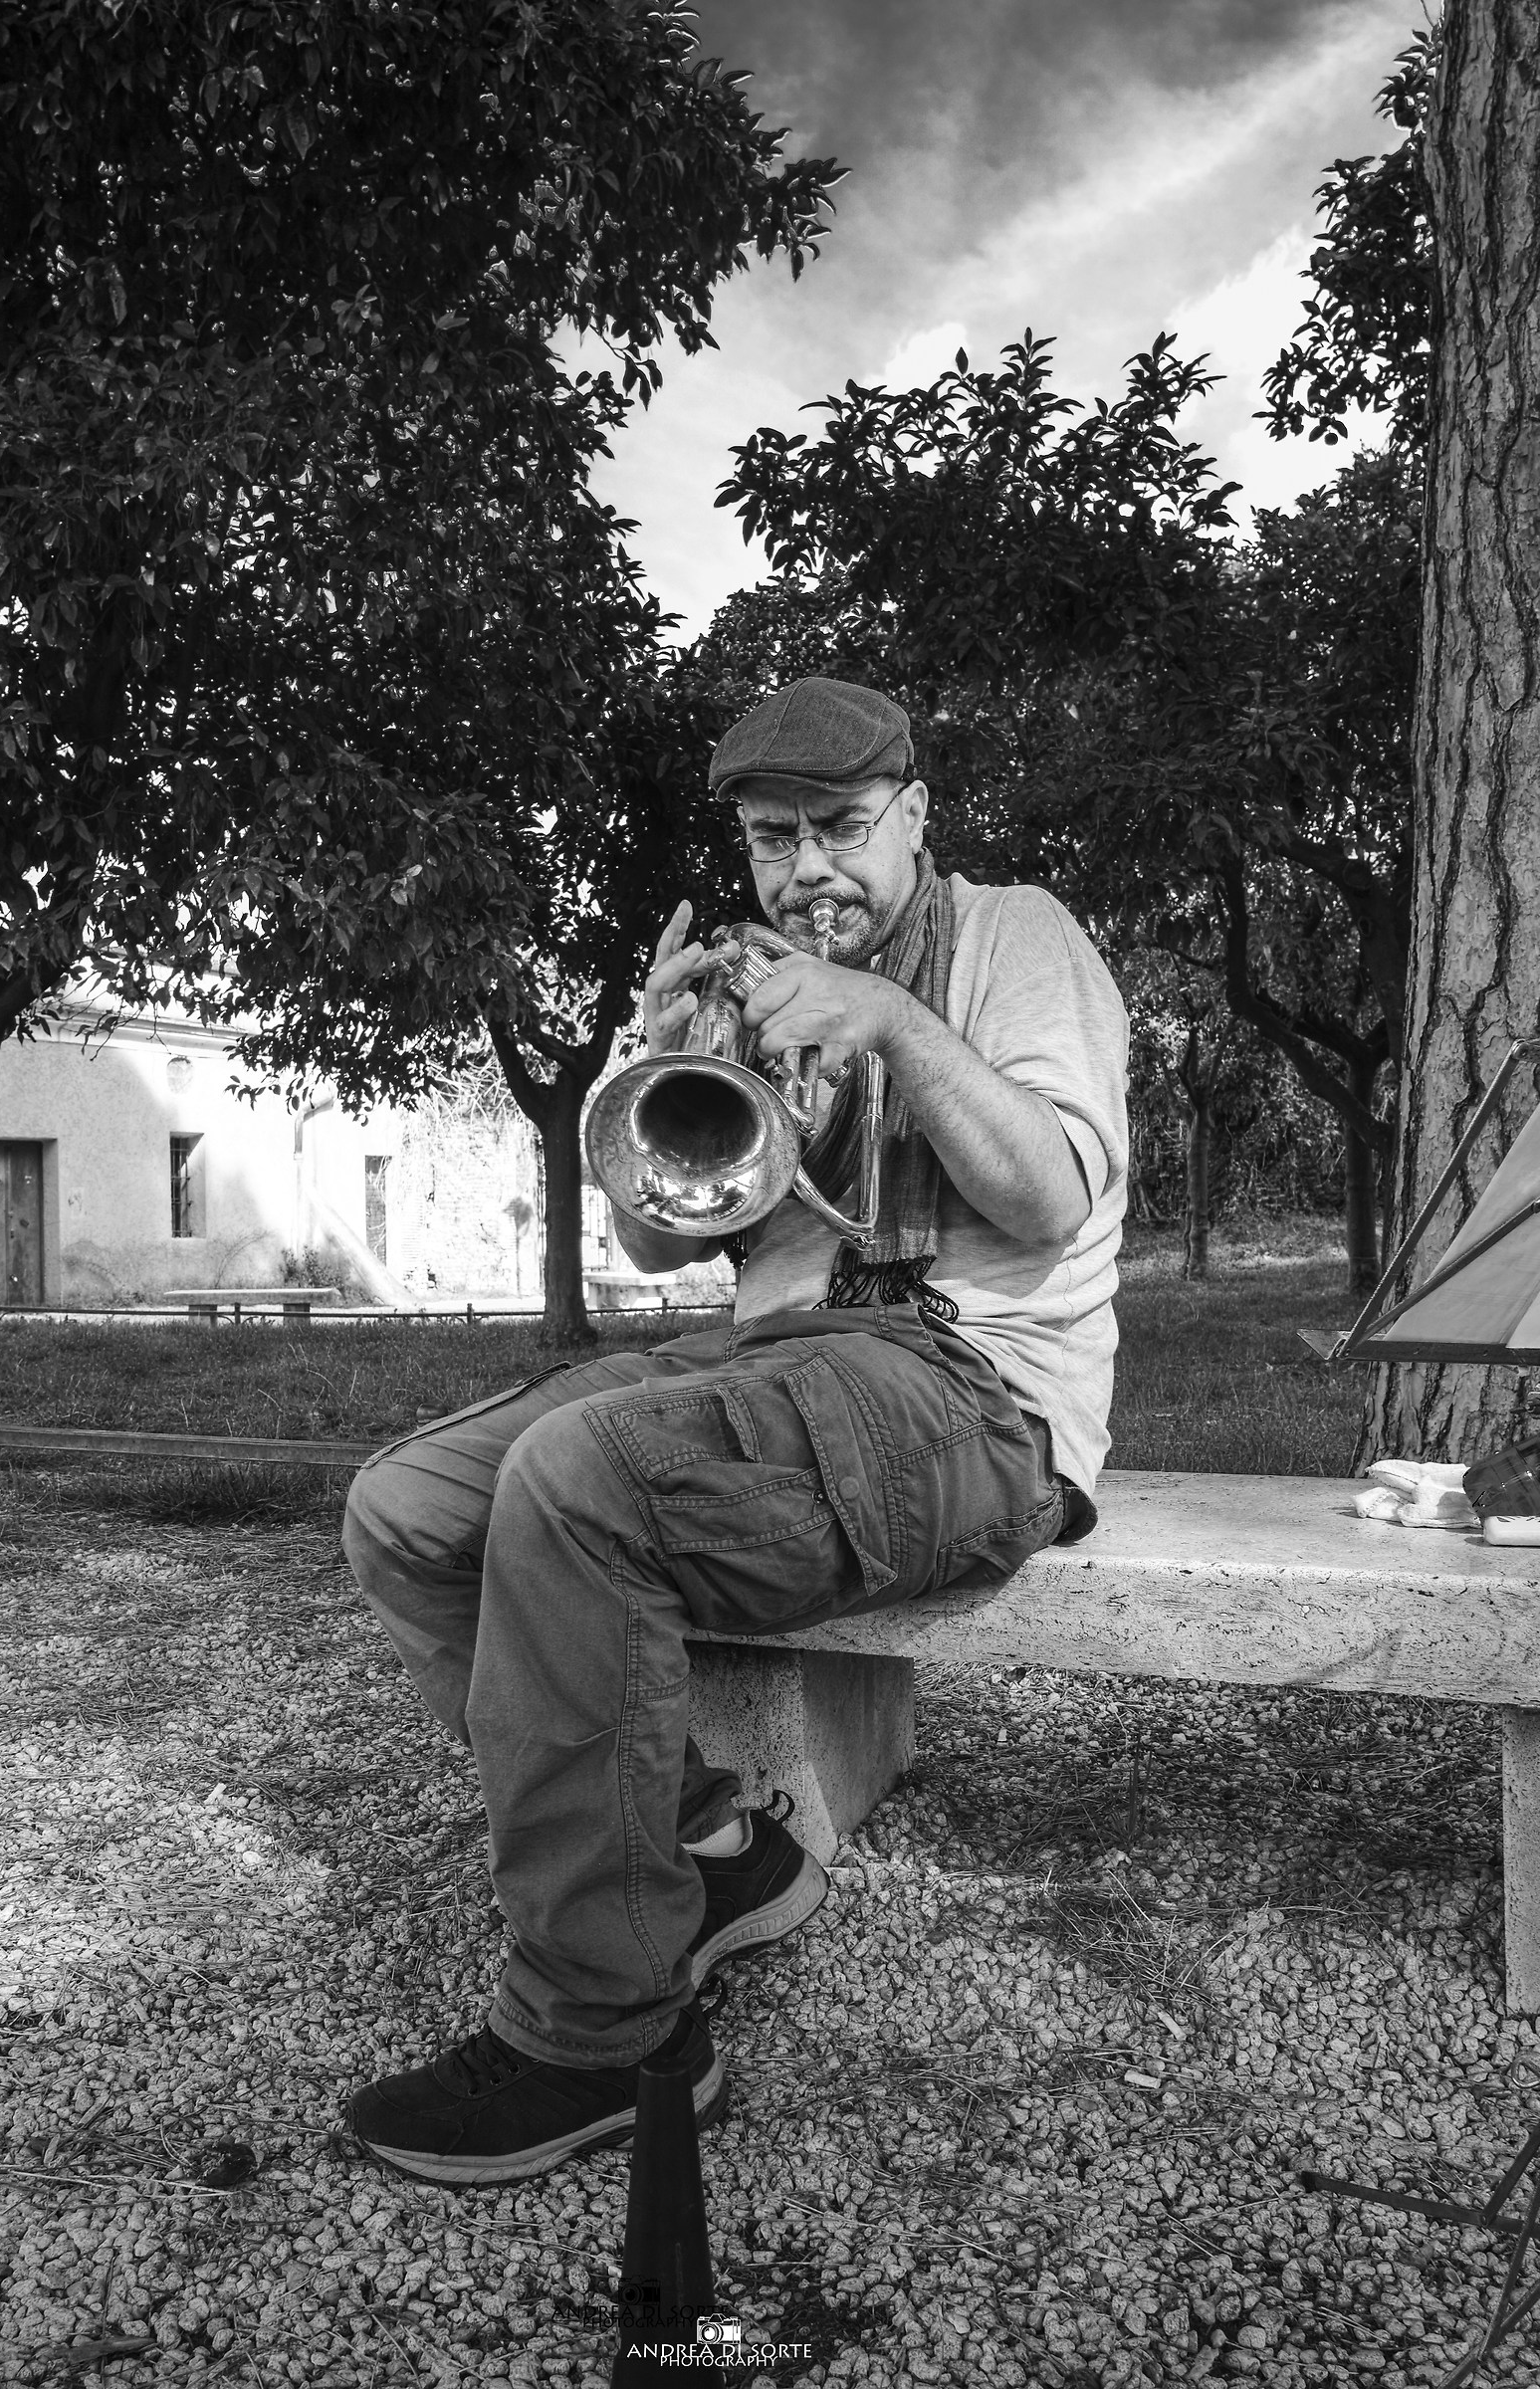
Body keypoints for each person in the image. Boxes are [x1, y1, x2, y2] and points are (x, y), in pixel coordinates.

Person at [340, 676, 1129, 2186]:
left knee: (579, 1482)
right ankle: (710, 1851)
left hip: (979, 1391)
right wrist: (658, 1058)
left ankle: (602, 2030)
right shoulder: (759, 980)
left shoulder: (1019, 934)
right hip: (773, 1354)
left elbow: (1046, 1194)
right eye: (775, 840)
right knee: (407, 1507)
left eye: (838, 827)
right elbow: (663, 1238)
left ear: (915, 815)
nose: (806, 870)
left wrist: (887, 1021)